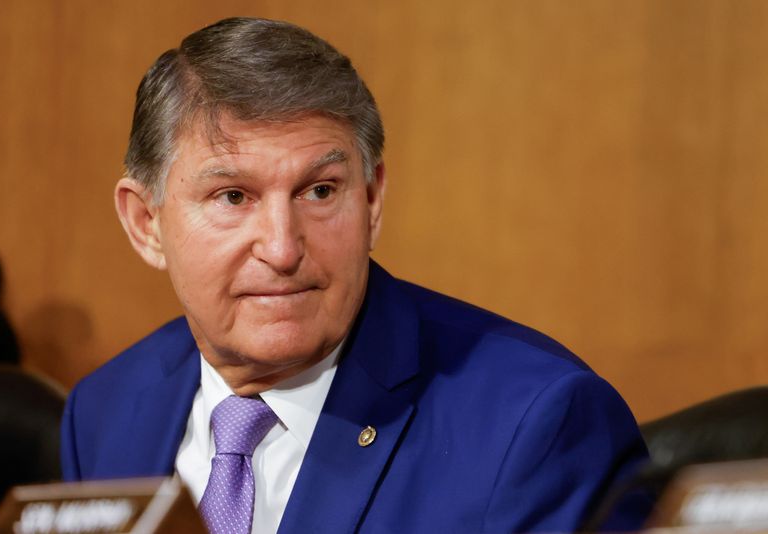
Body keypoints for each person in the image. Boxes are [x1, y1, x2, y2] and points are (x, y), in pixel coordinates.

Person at [61, 17, 652, 533]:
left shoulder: (536, 423)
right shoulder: (103, 413)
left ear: (370, 201)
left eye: (320, 191)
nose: (283, 247)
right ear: (146, 224)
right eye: (233, 196)